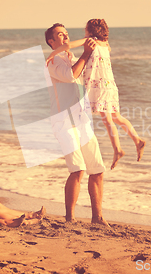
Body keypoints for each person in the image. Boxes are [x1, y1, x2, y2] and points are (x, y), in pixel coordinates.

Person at [46, 19, 146, 169]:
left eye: (85, 30)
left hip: (99, 85)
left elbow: (68, 46)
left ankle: (117, 149)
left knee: (107, 119)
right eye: (62, 34)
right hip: (110, 85)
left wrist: (53, 53)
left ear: (90, 31)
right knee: (116, 117)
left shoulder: (90, 40)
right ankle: (137, 140)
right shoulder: (106, 44)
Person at [44, 23, 108, 226]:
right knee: (77, 169)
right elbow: (71, 75)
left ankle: (97, 217)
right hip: (63, 121)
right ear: (51, 42)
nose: (65, 37)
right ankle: (70, 218)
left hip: (82, 119)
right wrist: (86, 54)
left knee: (97, 169)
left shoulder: (72, 57)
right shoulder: (52, 60)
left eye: (66, 34)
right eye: (60, 35)